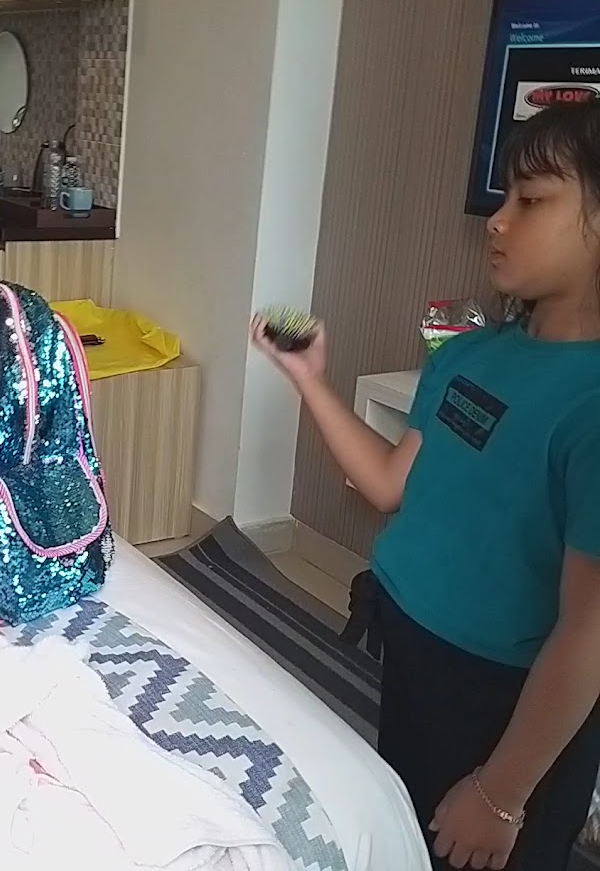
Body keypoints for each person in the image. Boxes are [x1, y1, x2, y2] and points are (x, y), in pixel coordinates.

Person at [252, 99, 600, 871]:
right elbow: (388, 484)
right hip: (414, 651)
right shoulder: (469, 355)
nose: (497, 220)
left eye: (532, 200)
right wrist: (308, 378)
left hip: (508, 700)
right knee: (411, 838)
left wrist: (502, 793)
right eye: (504, 196)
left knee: (478, 846)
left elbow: (589, 632)